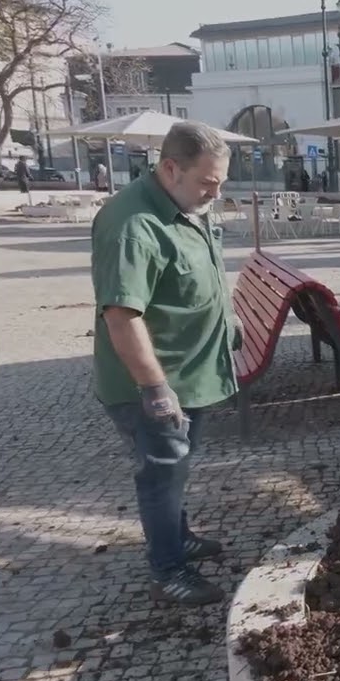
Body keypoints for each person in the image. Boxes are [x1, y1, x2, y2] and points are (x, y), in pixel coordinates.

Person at [89, 121, 241, 606]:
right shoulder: (133, 225)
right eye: (207, 182)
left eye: (220, 182)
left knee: (176, 468)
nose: (215, 193)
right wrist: (155, 388)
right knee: (161, 470)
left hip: (190, 374)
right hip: (154, 384)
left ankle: (178, 539)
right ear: (170, 168)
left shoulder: (183, 203)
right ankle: (167, 570)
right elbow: (122, 315)